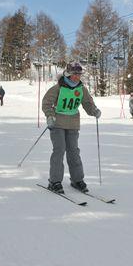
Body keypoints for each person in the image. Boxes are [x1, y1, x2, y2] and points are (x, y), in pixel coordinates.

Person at [41, 62, 101, 194]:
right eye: (75, 74)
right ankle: (55, 181)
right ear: (68, 74)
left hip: (73, 124)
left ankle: (77, 179)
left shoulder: (81, 89)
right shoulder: (58, 88)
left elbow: (87, 103)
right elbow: (46, 103)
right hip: (57, 124)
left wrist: (94, 111)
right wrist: (50, 116)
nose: (77, 77)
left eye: (79, 75)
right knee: (59, 150)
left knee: (74, 151)